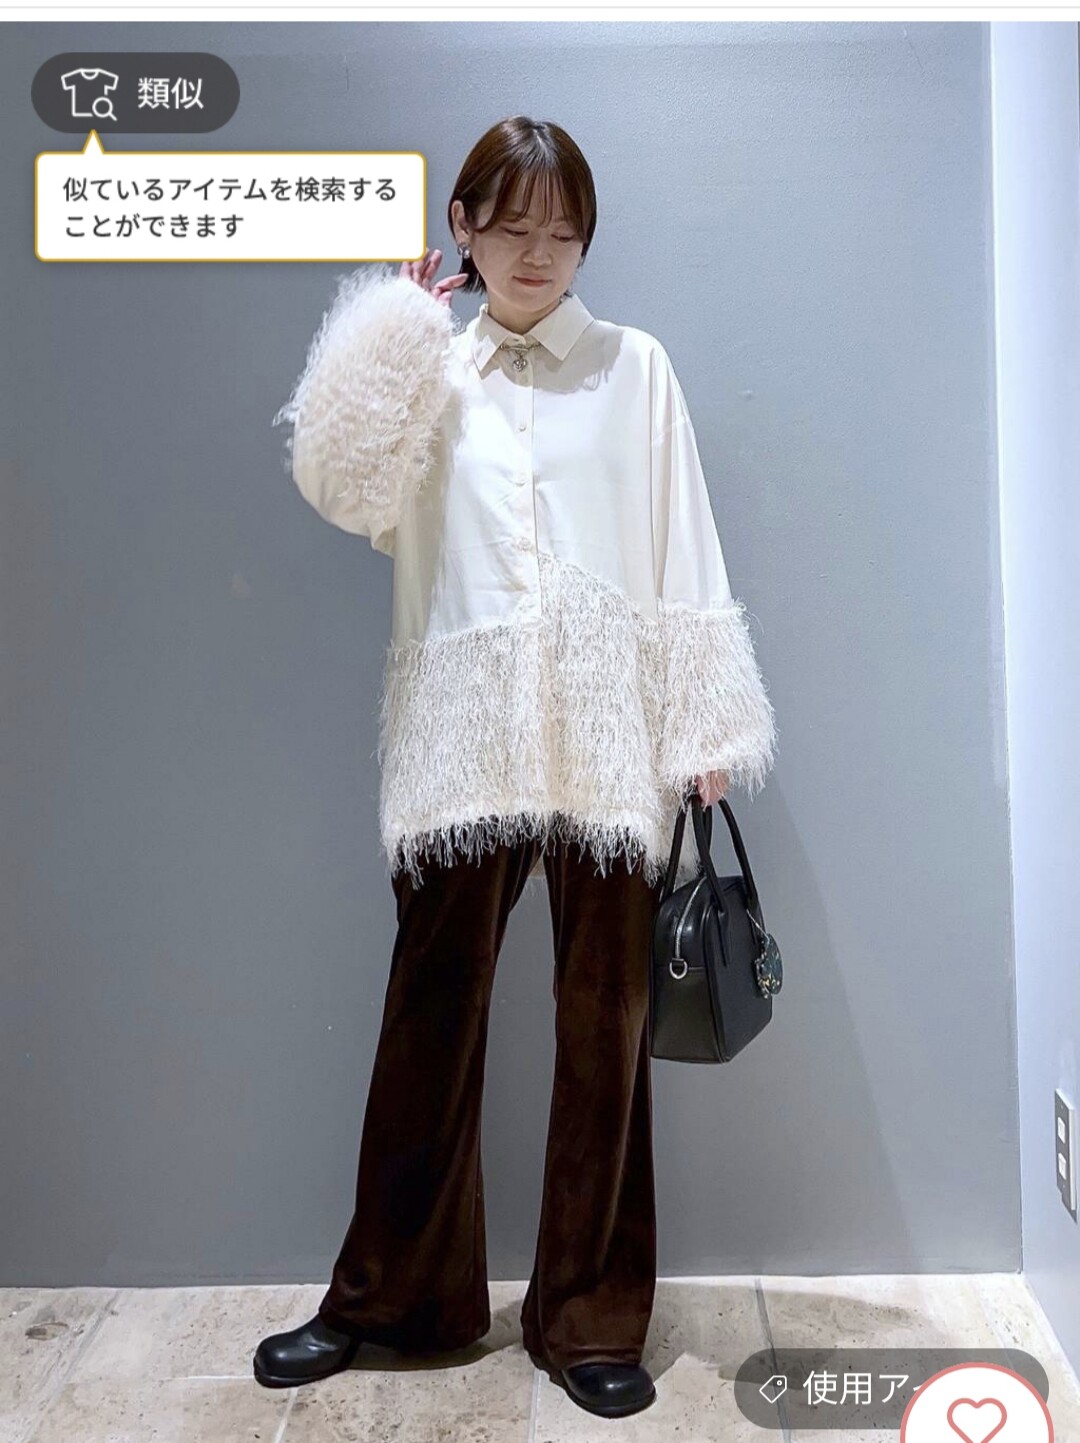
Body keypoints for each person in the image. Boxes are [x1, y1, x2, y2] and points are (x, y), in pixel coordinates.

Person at [254, 116, 777, 1420]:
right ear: (464, 229)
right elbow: (338, 487)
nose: (538, 252)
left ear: (586, 238)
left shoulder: (635, 367)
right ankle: (394, 1301)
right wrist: (392, 336)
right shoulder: (429, 372)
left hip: (610, 738)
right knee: (429, 1022)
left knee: (606, 1033)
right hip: (464, 738)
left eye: (563, 229)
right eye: (512, 225)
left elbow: (686, 541)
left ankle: (587, 1315)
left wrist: (702, 729)